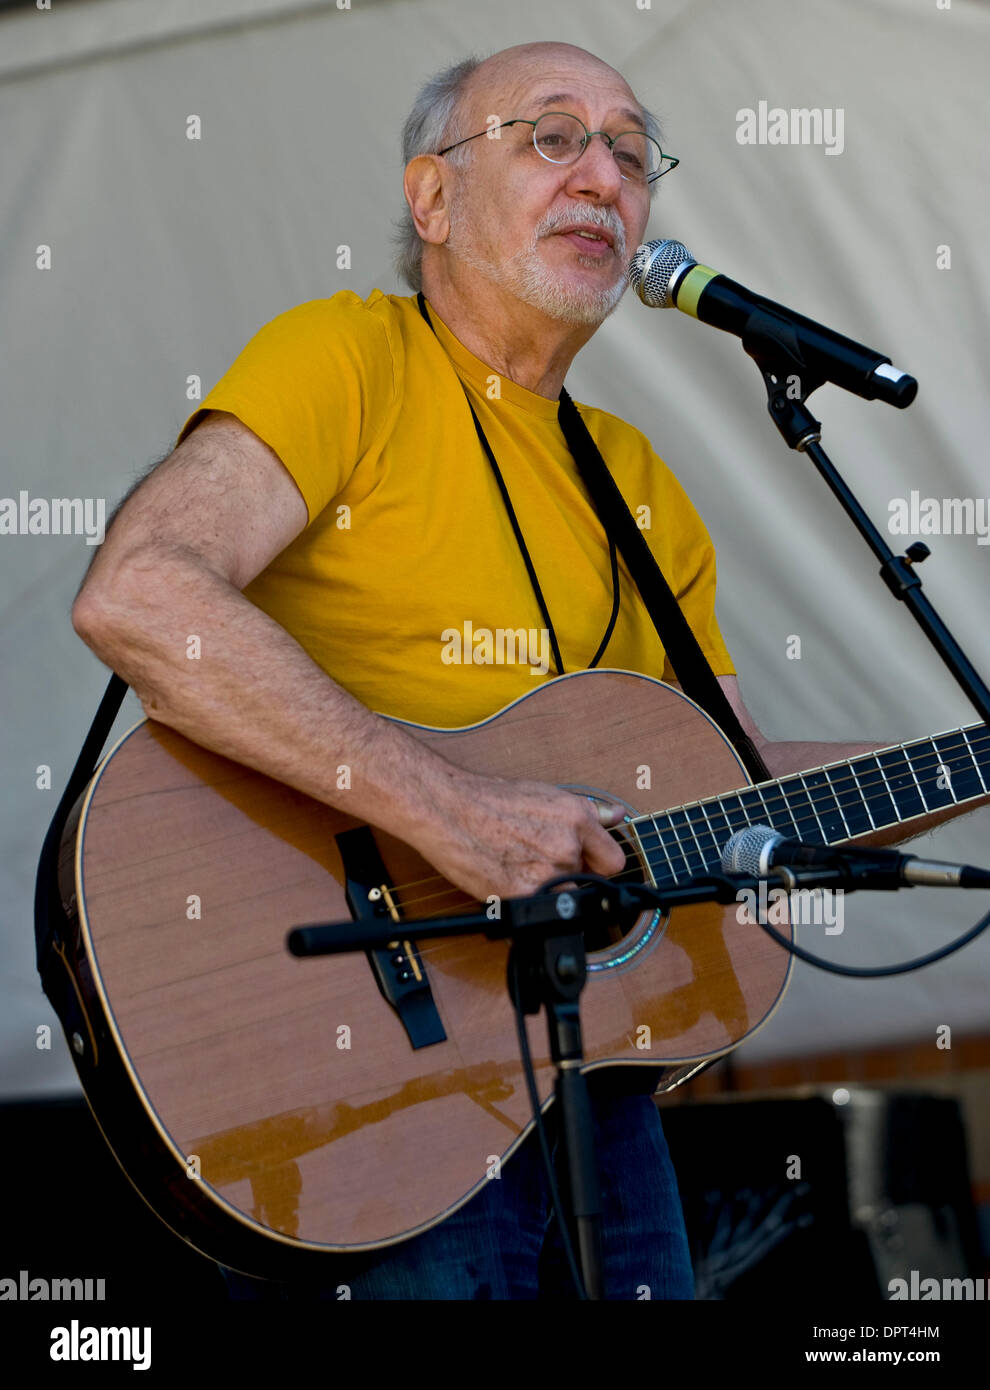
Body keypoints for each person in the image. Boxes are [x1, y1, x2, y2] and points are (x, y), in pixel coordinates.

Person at [71, 41, 886, 1299]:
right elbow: (141, 593)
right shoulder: (345, 357)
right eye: (552, 136)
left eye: (629, 151)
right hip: (362, 1070)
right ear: (433, 199)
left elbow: (736, 788)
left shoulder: (640, 484)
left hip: (586, 1081)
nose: (601, 176)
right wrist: (447, 811)